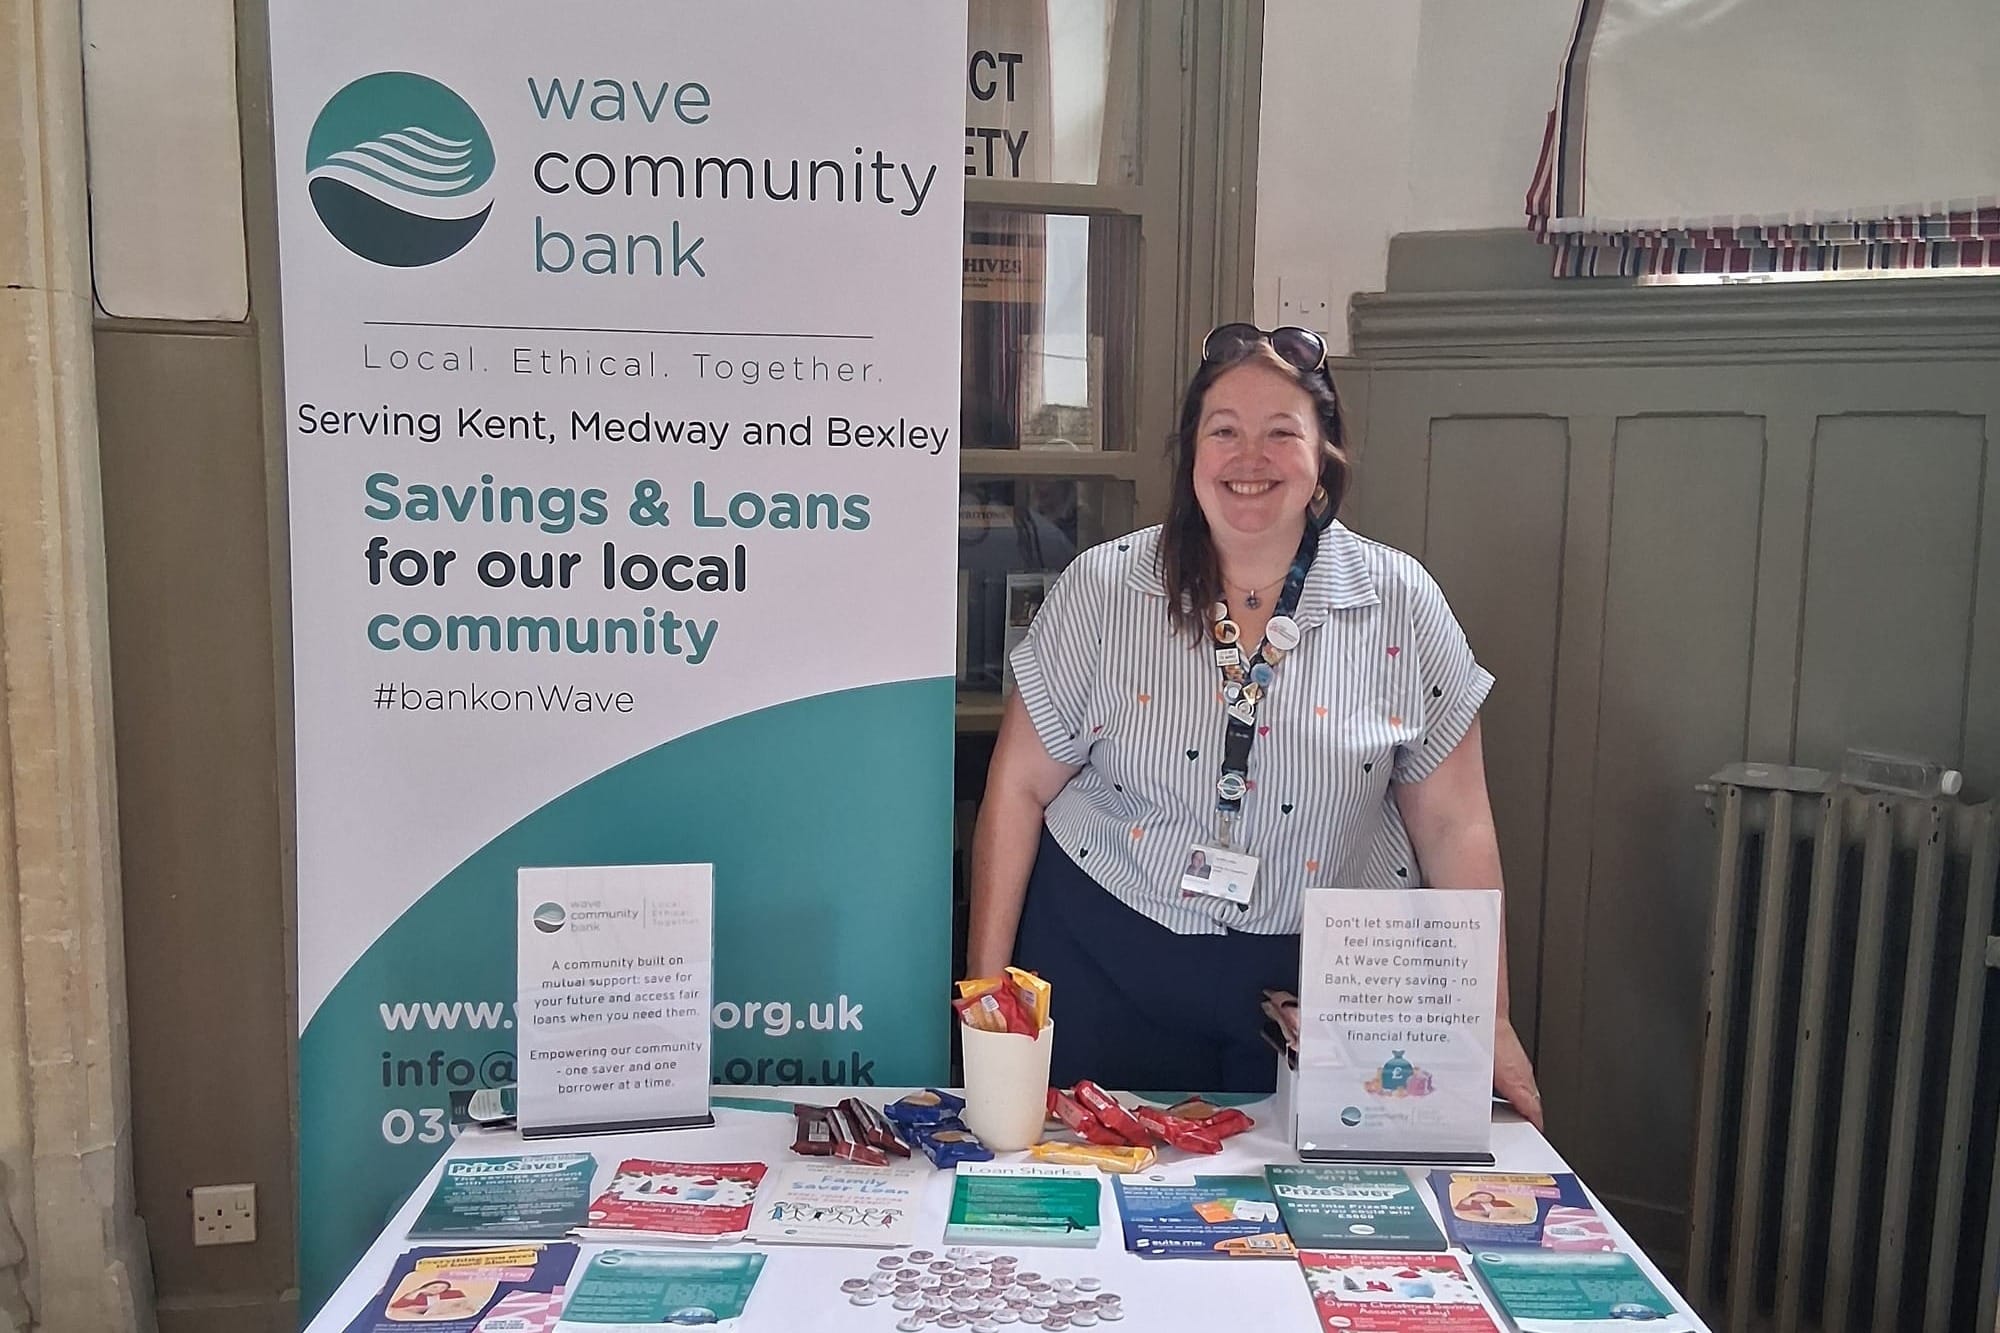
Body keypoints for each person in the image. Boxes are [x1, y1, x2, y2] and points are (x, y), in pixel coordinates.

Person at [966, 323, 1542, 1124]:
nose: (1250, 459)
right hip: (1104, 957)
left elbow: (1456, 824)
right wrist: (988, 998)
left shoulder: (1401, 603)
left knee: (1299, 1199)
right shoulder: (1103, 589)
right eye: (1224, 431)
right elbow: (1018, 788)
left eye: (1281, 433)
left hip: (1317, 991)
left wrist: (1488, 1018)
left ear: (1323, 456)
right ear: (1191, 454)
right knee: (1089, 1189)